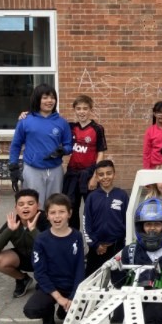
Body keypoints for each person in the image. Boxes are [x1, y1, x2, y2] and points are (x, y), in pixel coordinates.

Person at [23, 193, 85, 324]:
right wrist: (58, 297)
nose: (57, 216)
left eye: (62, 212)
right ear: (47, 215)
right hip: (50, 287)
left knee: (83, 313)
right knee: (31, 310)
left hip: (70, 286)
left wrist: (73, 296)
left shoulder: (76, 236)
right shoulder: (41, 240)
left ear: (69, 213)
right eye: (53, 212)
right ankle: (48, 313)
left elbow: (79, 268)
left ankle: (63, 311)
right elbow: (40, 273)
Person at [8, 84, 72, 209]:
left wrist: (63, 150)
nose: (50, 101)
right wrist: (13, 166)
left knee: (55, 207)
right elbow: (16, 145)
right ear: (37, 99)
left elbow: (69, 145)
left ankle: (51, 229)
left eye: (52, 97)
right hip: (33, 170)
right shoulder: (25, 120)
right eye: (45, 97)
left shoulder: (62, 122)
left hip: (55, 170)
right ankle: (34, 229)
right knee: (34, 207)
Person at [0, 188, 49, 298]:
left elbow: (51, 248)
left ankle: (47, 280)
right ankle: (22, 279)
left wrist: (34, 230)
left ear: (38, 205)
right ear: (16, 208)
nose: (25, 207)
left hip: (45, 261)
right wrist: (9, 230)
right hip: (24, 258)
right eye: (21, 204)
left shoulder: (46, 219)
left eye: (30, 203)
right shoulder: (13, 221)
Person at [62, 94, 107, 231]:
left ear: (90, 110)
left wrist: (95, 176)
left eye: (85, 108)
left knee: (92, 210)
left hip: (89, 175)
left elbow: (101, 153)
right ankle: (74, 240)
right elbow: (49, 122)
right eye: (79, 108)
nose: (82, 111)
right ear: (74, 110)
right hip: (72, 174)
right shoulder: (70, 127)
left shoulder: (97, 128)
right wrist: (28, 114)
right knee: (71, 209)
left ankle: (93, 244)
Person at [83, 159, 129, 277]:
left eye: (109, 173)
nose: (105, 177)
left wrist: (124, 244)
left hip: (117, 248)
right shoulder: (92, 198)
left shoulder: (122, 195)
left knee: (118, 280)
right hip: (97, 249)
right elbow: (85, 224)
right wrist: (95, 244)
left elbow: (128, 221)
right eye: (101, 174)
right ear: (97, 177)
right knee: (92, 280)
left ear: (114, 174)